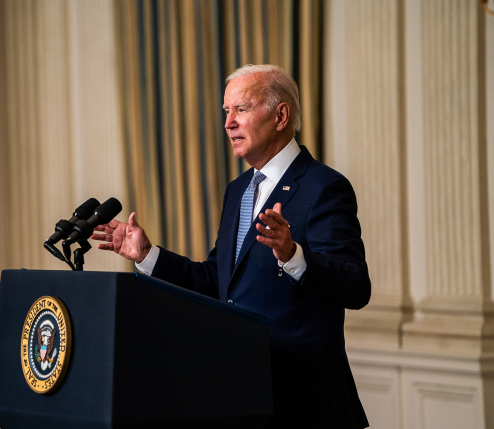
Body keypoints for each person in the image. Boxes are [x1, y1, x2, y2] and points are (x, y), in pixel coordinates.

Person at [92, 64, 370, 429]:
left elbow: (355, 285)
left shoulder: (324, 187)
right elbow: (217, 280)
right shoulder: (238, 191)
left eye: (242, 109)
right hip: (241, 396)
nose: (229, 123)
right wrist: (147, 256)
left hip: (304, 404)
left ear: (280, 115)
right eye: (227, 111)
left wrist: (293, 255)